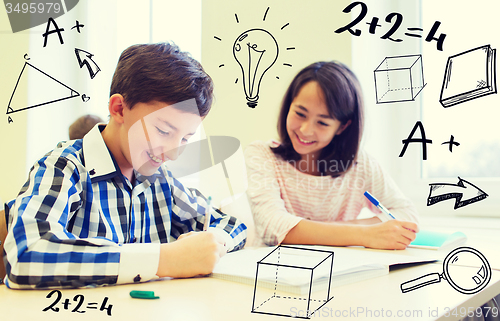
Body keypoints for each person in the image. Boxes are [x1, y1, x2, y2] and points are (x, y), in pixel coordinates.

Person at [3, 42, 247, 289]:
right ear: (119, 108)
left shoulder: (160, 180)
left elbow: (232, 225)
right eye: (163, 130)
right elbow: (26, 255)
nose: (173, 154)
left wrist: (215, 240)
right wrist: (165, 259)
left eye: (185, 138)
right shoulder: (65, 167)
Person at [245, 61, 418, 250]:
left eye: (322, 123)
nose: (305, 130)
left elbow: (407, 215)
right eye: (300, 114)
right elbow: (272, 226)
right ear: (288, 107)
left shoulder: (360, 164)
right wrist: (364, 234)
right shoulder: (262, 155)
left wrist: (336, 232)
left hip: (338, 271)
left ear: (342, 127)